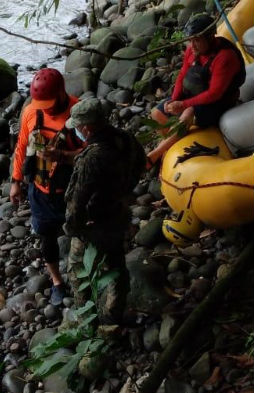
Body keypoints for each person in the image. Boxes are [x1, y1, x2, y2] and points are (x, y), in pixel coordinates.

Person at [64, 98, 146, 323]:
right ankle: (114, 314)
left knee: (77, 270)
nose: (77, 130)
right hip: (118, 211)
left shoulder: (93, 157)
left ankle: (87, 320)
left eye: (79, 126)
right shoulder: (125, 139)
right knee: (116, 263)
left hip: (95, 222)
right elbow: (141, 163)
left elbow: (77, 200)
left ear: (87, 127)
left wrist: (73, 228)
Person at [10, 68, 83, 305]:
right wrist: (16, 181)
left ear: (62, 93)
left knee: (83, 233)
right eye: (42, 103)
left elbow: (95, 151)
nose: (46, 108)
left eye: (49, 103)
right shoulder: (31, 111)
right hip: (41, 191)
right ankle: (57, 281)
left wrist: (62, 155)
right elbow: (21, 147)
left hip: (74, 190)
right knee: (47, 238)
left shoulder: (78, 113)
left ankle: (86, 273)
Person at [146, 12, 246, 167]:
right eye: (190, 40)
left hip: (219, 103)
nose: (192, 45)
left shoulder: (225, 57)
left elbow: (215, 93)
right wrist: (174, 99)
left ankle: (155, 155)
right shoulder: (193, 51)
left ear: (210, 37)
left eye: (197, 40)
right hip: (195, 97)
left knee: (188, 112)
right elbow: (182, 74)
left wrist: (184, 105)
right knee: (156, 113)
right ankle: (170, 147)